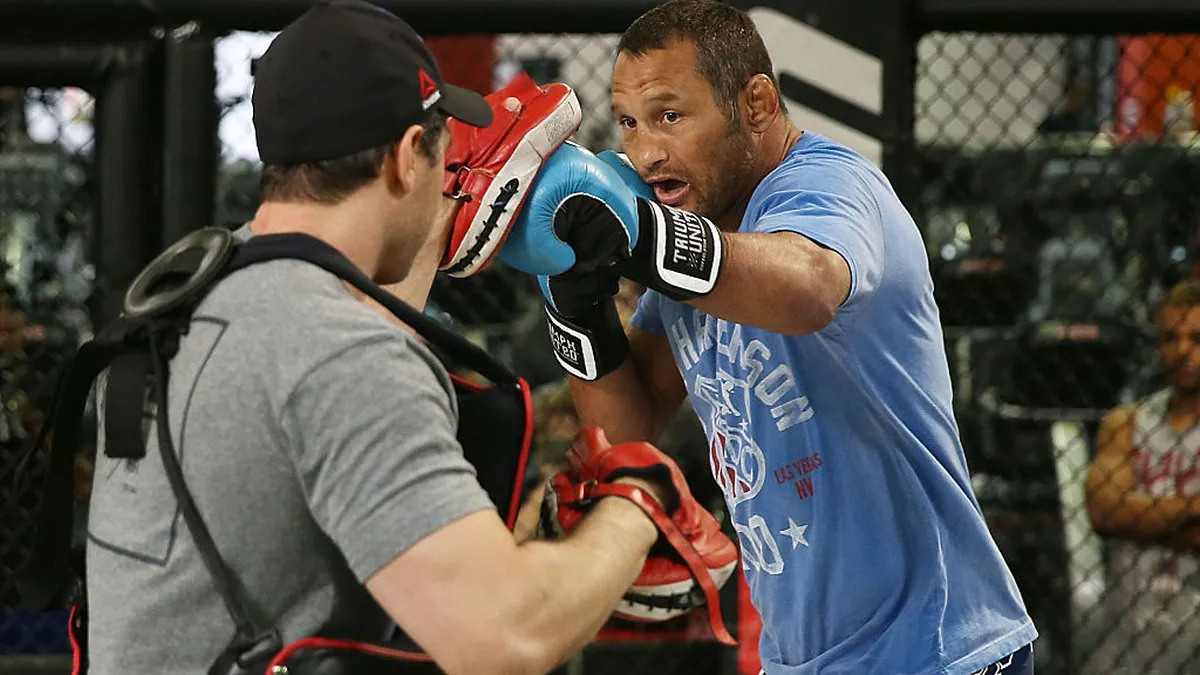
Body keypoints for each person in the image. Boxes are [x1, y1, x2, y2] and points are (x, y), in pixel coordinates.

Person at [78, 2, 734, 674]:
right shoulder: (344, 356)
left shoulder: (198, 292)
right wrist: (636, 501)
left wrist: (451, 220)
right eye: (443, 150)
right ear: (405, 159)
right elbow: (505, 639)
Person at [496, 1, 1038, 672]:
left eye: (670, 116)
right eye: (630, 123)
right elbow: (627, 430)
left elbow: (808, 286)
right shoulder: (693, 242)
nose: (646, 151)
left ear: (755, 102)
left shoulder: (828, 184)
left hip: (934, 647)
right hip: (801, 656)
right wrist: (573, 296)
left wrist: (637, 233)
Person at [1085, 278, 1200, 675]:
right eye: (1170, 338)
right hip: (1131, 638)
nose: (1182, 350)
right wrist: (1193, 510)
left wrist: (1139, 519)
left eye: (1196, 338)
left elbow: (1122, 515)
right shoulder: (1127, 423)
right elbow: (1104, 511)